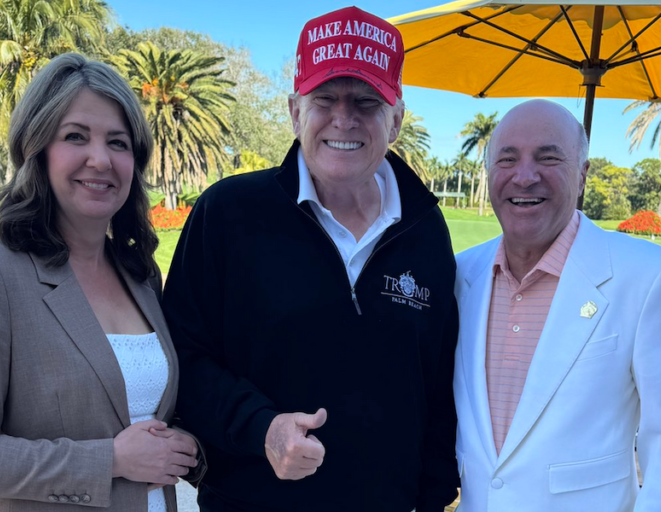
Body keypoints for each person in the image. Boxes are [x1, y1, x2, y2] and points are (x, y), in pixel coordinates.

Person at [161, 6, 459, 511]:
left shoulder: (425, 229)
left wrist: (431, 499)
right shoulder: (228, 213)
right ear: (296, 111)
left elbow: (438, 384)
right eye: (325, 99)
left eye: (366, 101)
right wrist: (262, 428)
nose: (344, 119)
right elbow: (181, 359)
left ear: (397, 119)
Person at [0, 53, 203, 511]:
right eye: (75, 137)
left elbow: (150, 411)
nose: (100, 159)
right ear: (38, 149)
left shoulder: (140, 274)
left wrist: (183, 443)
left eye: (118, 142)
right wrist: (110, 459)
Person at [452, 99, 661, 511]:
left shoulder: (650, 276)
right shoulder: (461, 275)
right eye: (507, 159)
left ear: (582, 175)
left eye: (548, 158)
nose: (525, 176)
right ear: (489, 172)